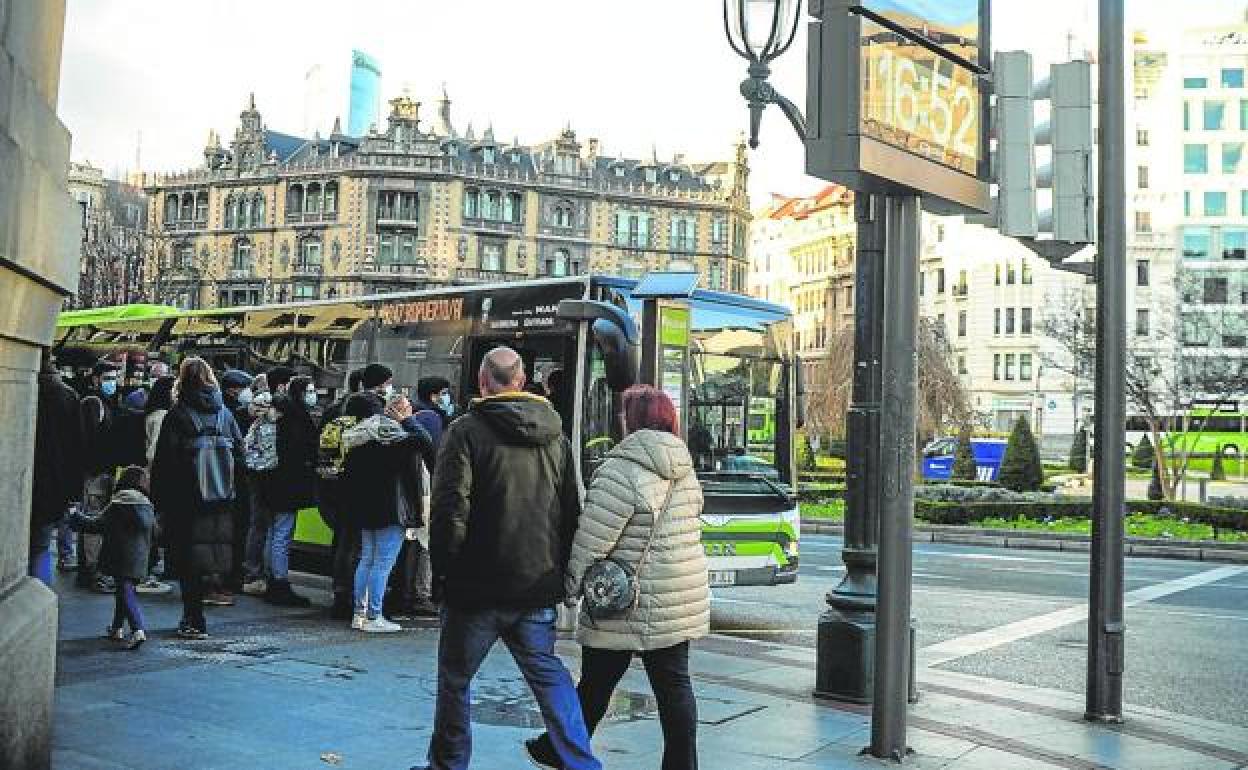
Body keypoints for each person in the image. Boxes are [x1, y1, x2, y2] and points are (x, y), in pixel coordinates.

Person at [414, 347, 598, 770]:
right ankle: (582, 762)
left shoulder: (465, 431)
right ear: (521, 380)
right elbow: (571, 509)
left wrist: (445, 570)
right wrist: (564, 573)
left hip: (476, 586)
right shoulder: (556, 434)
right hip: (537, 583)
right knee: (549, 674)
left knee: (456, 680)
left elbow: (449, 510)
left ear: (482, 381)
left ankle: (449, 764)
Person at [526, 385, 708, 770]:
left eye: (624, 413)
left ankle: (562, 748)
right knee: (675, 686)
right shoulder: (685, 469)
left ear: (633, 420)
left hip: (623, 598)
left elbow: (594, 539)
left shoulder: (620, 469)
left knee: (595, 683)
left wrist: (571, 587)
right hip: (676, 594)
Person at [150, 357, 244, 639]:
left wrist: (159, 501)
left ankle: (193, 617)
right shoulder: (225, 415)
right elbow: (240, 452)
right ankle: (212, 595)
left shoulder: (178, 415)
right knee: (213, 555)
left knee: (187, 558)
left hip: (187, 501)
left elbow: (164, 462)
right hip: (221, 499)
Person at [338, 391, 426, 632]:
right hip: (391, 508)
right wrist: (408, 420)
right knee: (383, 563)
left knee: (367, 559)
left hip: (367, 507)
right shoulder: (394, 435)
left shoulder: (358, 435)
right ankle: (373, 615)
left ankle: (359, 613)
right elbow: (425, 441)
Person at [68, 465, 156, 651]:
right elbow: (155, 532)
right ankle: (117, 628)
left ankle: (137, 629)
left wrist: (75, 516)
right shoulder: (147, 505)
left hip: (120, 556)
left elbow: (96, 525)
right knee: (123, 592)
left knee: (125, 592)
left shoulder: (119, 503)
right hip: (139, 559)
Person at [257, 370, 318, 606]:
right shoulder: (296, 416)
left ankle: (271, 578)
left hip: (271, 479)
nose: (313, 396)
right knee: (283, 532)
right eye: (311, 391)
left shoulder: (279, 412)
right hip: (287, 483)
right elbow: (301, 448)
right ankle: (279, 582)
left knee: (274, 532)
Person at [30, 350, 86, 586]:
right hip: (54, 483)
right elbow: (77, 448)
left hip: (22, 479)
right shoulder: (68, 396)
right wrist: (73, 492)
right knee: (41, 548)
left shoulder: (23, 388)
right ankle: (40, 597)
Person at [318, 368, 365, 619]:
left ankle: (339, 591)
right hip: (353, 489)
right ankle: (348, 595)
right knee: (354, 545)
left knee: (342, 542)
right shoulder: (359, 422)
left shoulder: (333, 415)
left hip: (332, 486)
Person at [78, 359, 123, 593]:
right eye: (107, 378)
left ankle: (91, 570)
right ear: (95, 379)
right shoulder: (94, 403)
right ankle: (92, 571)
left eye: (114, 378)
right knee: (93, 522)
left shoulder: (107, 402)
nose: (112, 383)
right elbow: (89, 440)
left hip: (103, 471)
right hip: (96, 473)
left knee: (94, 521)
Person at [136, 376, 176, 595]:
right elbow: (154, 452)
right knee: (156, 524)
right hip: (158, 477)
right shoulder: (162, 416)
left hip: (152, 475)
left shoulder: (151, 414)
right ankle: (148, 568)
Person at [218, 368, 255, 599]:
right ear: (234, 390)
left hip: (228, 481)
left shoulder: (223, 411)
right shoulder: (231, 414)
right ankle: (229, 577)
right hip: (234, 480)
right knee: (236, 530)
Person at [412, 375, 454, 447]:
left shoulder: (416, 410)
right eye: (444, 393)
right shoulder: (430, 416)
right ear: (433, 396)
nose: (448, 396)